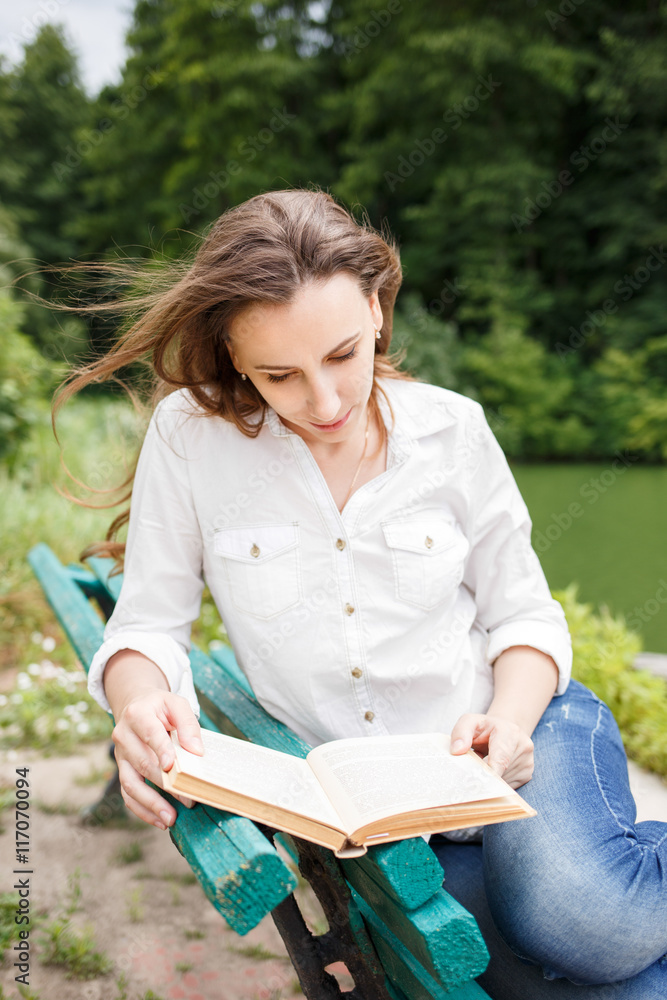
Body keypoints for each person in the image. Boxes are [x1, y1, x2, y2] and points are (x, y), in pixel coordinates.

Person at [58, 188, 666, 999]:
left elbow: (523, 616)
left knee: (583, 923)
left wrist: (509, 725)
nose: (325, 402)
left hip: (524, 735)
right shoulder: (190, 440)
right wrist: (138, 706)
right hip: (386, 820)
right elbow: (147, 628)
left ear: (376, 310)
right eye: (280, 375)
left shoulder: (451, 430)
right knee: (605, 988)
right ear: (233, 354)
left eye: (343, 354)